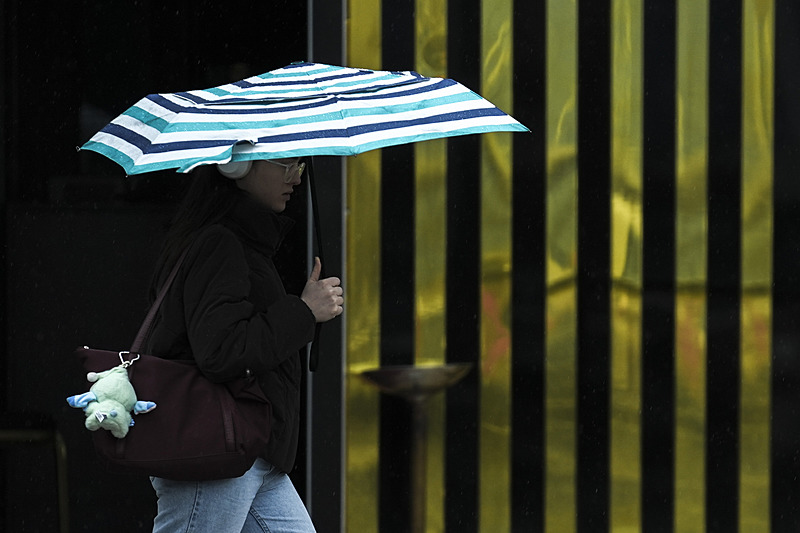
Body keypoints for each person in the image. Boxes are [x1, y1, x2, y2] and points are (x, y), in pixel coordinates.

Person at [143, 157, 343, 532]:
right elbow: (221, 351)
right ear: (237, 166)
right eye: (286, 164)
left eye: (300, 165)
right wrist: (303, 312)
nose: (296, 177)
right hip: (216, 455)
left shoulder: (235, 240)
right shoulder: (220, 243)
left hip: (249, 452)